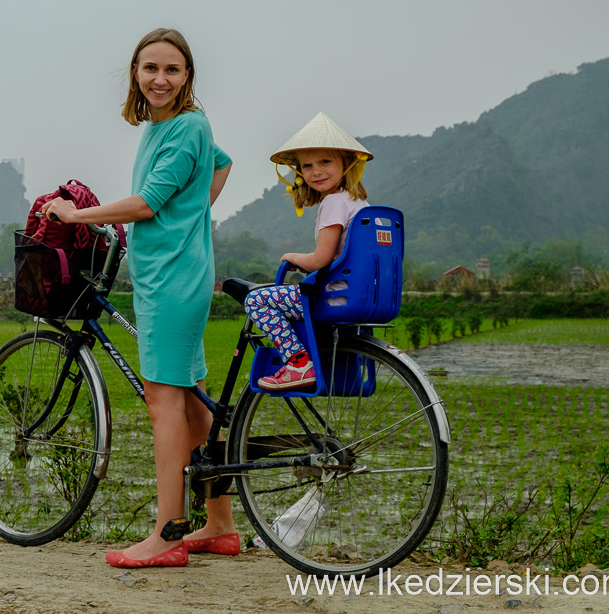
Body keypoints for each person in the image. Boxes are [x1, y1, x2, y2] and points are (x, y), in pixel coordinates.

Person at [40, 28, 235, 569]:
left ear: (188, 76)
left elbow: (148, 204)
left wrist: (76, 215)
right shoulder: (169, 127)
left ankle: (167, 534)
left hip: (172, 281)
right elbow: (222, 164)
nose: (159, 79)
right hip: (168, 274)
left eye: (171, 70)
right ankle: (219, 524)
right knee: (193, 403)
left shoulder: (184, 127)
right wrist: (196, 210)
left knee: (162, 402)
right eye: (150, 68)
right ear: (135, 73)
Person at [244, 112, 372, 391]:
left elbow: (321, 259)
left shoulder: (334, 203)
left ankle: (298, 362)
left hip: (335, 296)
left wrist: (292, 257)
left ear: (346, 163)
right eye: (308, 165)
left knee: (256, 300)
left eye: (325, 161)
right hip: (357, 293)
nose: (316, 171)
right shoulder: (359, 203)